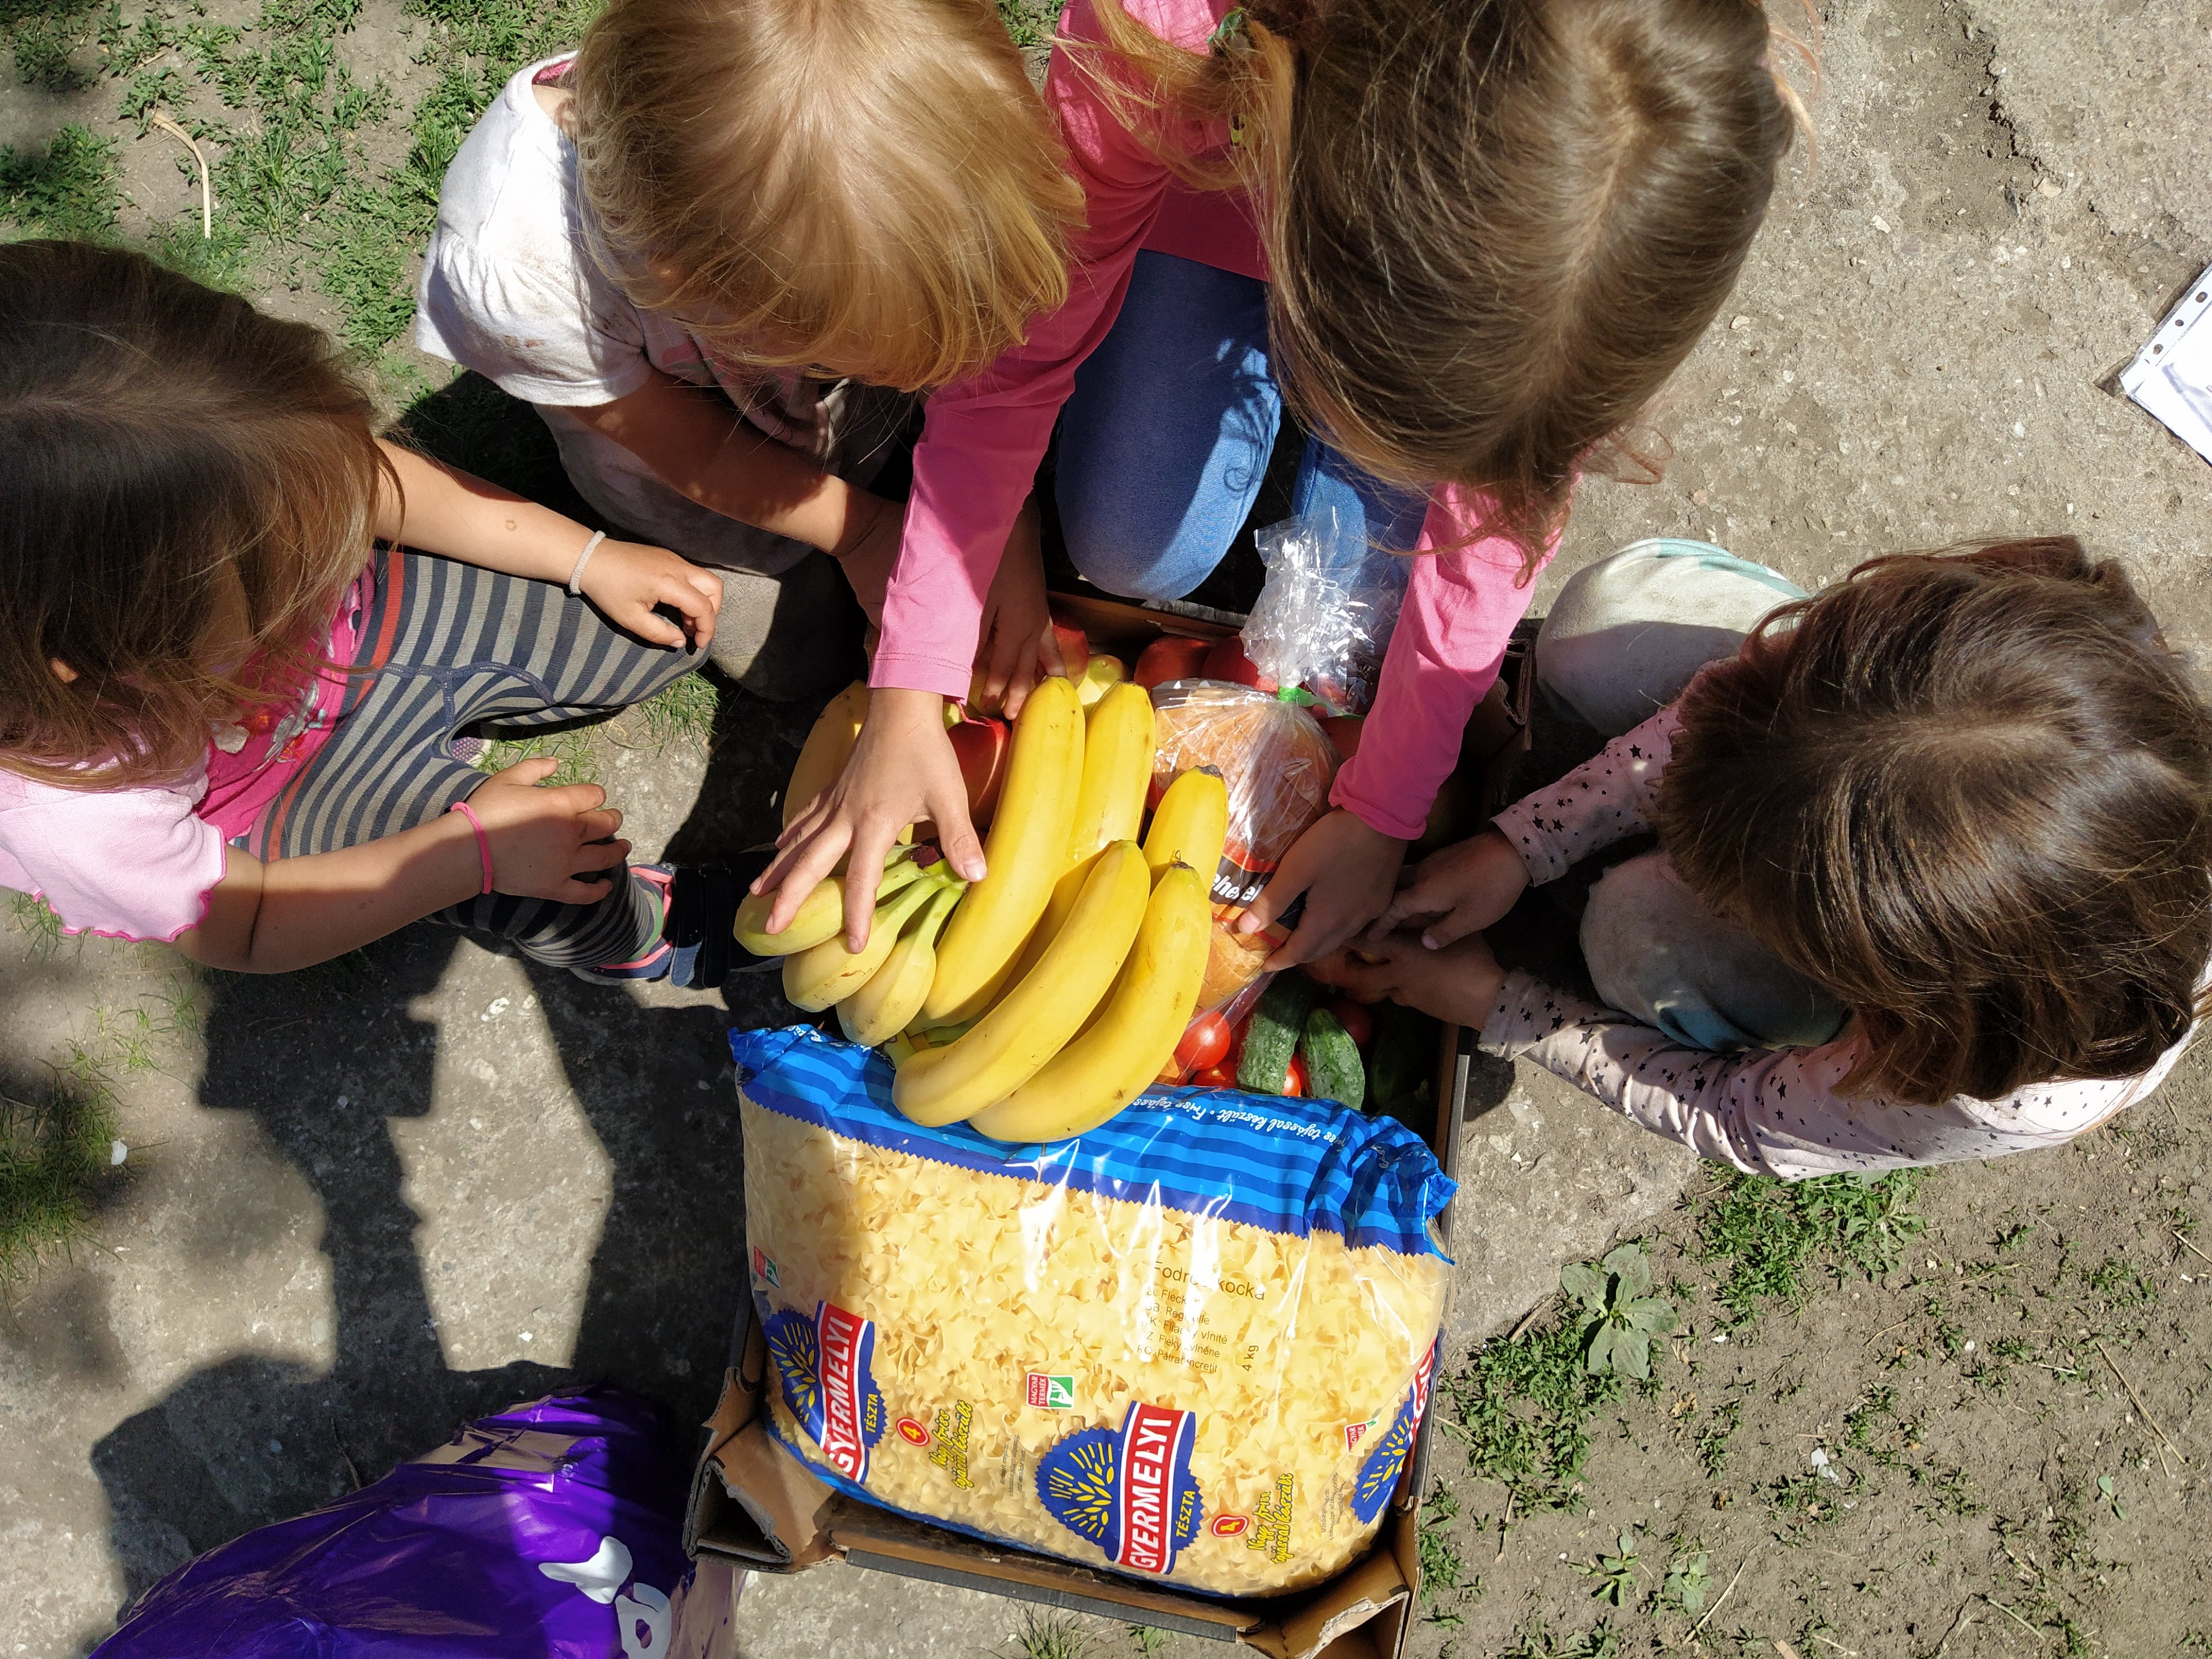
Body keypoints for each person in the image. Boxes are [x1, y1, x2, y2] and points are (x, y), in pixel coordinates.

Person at [760, 0, 1806, 961]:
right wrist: (913, 678)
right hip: (1203, 199)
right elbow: (1021, 351)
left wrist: (1386, 807)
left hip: (1368, 243)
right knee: (1128, 544)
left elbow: (1499, 520)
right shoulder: (1148, 39)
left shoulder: (1610, 217)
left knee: (1359, 613)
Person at [1311, 539, 2212, 1178]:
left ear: (1895, 1012)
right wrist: (1525, 843)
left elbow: (1739, 1116)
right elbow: (1724, 700)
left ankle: (1728, 983)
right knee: (1602, 614)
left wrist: (1503, 1004)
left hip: (1917, 967)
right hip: (1885, 797)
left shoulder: (1977, 1091)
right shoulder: (1963, 664)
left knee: (1639, 928)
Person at [0, 241, 729, 980]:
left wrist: (586, 559)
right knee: (564, 882)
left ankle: (452, 729)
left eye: (317, 513)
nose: (329, 536)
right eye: (285, 562)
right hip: (269, 795)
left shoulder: (215, 460)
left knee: (668, 628)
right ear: (96, 656)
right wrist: (468, 856)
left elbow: (369, 486)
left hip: (353, 627)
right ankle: (654, 937)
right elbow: (247, 925)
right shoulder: (70, 814)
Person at [414, 0, 1084, 697]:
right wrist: (861, 534)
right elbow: (694, 453)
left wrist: (997, 506)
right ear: (690, 289)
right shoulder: (524, 276)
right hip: (692, 469)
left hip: (810, 400)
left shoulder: (859, 166)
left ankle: (888, 459)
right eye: (842, 351)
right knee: (801, 664)